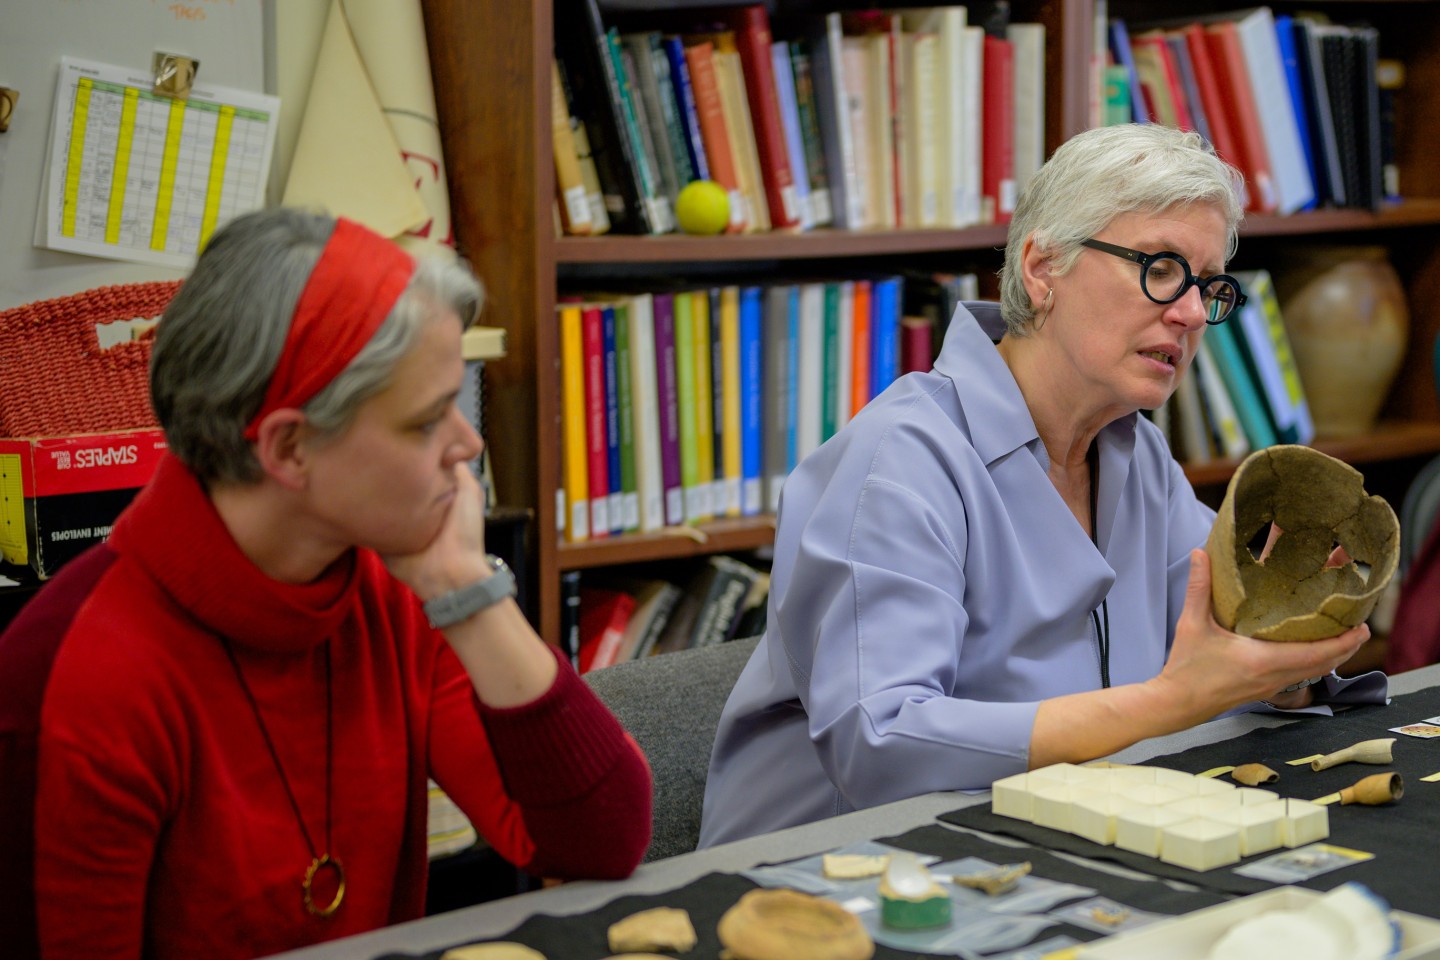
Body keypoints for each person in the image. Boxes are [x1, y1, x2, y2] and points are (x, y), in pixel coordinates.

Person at [699, 124, 1387, 848]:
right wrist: (1171, 701)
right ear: (1041, 268)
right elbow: (881, 742)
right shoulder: (900, 461)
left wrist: (1280, 663)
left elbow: (1222, 638)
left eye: (1208, 286)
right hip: (823, 879)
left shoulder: (1136, 454)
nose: (1189, 312)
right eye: (1161, 268)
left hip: (1041, 844)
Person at [0, 209, 652, 959]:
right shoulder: (76, 683)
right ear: (289, 447)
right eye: (427, 418)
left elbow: (599, 842)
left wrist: (466, 588)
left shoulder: (391, 579)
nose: (469, 444)